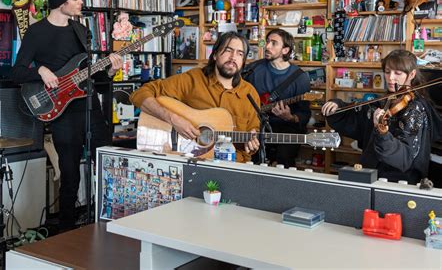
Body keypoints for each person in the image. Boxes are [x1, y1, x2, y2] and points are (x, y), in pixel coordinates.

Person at [11, 0, 122, 231]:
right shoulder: (37, 32)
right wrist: (40, 70)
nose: (80, 2)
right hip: (62, 113)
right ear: (61, 2)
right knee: (69, 175)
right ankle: (66, 231)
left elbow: (94, 75)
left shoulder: (81, 31)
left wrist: (111, 71)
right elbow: (16, 72)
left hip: (90, 108)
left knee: (109, 165)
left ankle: (110, 224)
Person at [130, 32, 260, 162]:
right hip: (190, 163)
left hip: (233, 167)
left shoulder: (250, 94)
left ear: (243, 61)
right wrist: (173, 120)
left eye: (240, 54)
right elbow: (140, 94)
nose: (233, 57)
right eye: (228, 50)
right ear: (215, 54)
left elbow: (252, 139)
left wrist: (252, 145)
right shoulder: (193, 79)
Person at [322, 50, 440, 185]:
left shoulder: (415, 109)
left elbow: (404, 158)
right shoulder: (386, 100)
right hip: (372, 175)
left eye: (398, 73)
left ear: (412, 74)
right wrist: (337, 105)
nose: (391, 78)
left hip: (398, 182)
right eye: (388, 72)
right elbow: (356, 115)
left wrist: (382, 132)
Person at [245, 29, 311, 167]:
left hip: (285, 130)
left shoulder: (299, 77)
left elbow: (304, 114)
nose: (267, 46)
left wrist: (290, 117)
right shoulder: (253, 69)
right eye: (267, 42)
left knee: (283, 163)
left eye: (274, 43)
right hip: (255, 127)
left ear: (285, 50)